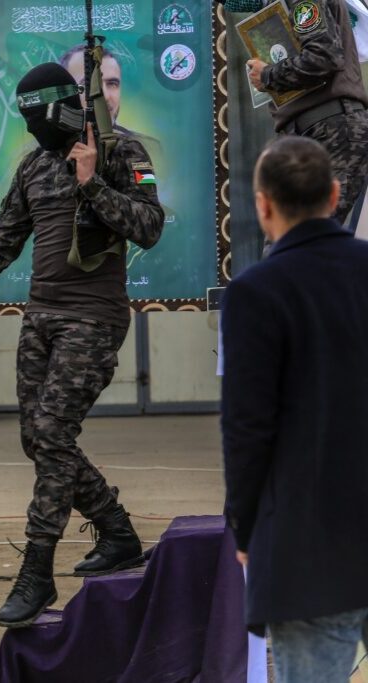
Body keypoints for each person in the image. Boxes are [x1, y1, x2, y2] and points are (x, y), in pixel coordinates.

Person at [0, 63, 164, 628]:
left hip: (94, 320)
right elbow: (2, 242)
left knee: (53, 432)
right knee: (38, 439)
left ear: (71, 106)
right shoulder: (33, 166)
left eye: (41, 115)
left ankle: (37, 569)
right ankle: (119, 532)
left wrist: (91, 182)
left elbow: (149, 227)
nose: (34, 127)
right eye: (25, 117)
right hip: (41, 319)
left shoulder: (121, 153)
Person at [222, 136, 368, 683]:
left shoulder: (256, 291)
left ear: (262, 205)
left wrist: (244, 528)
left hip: (310, 549)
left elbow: (247, 427)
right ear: (335, 196)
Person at [217, 0, 368, 223]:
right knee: (288, 240)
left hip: (331, 127)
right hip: (309, 131)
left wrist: (268, 75)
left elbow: (323, 57)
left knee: (305, 238)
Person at [59, 44, 164, 161]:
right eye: (89, 85)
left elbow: (148, 180)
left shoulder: (148, 148)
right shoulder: (47, 153)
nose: (104, 96)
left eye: (112, 84)